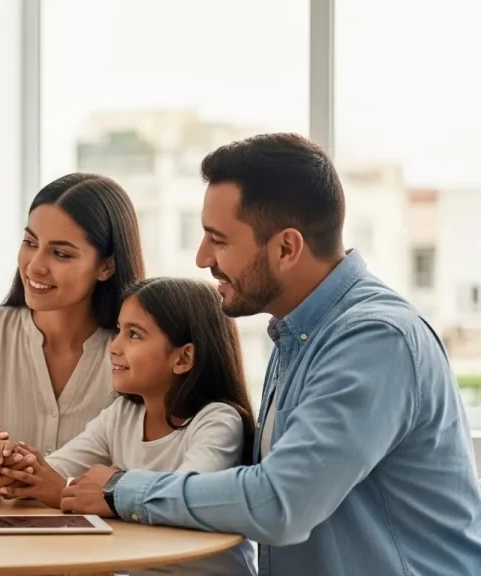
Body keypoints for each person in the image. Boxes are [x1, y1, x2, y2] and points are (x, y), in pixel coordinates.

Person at [54, 133, 481, 575]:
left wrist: (121, 490)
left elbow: (280, 502)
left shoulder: (374, 339)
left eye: (218, 240)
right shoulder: (298, 334)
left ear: (286, 248)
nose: (202, 259)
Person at [0, 277, 257, 575]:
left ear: (183, 357)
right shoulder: (122, 415)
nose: (114, 347)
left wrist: (90, 491)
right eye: (119, 330)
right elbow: (54, 472)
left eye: (135, 335)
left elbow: (180, 501)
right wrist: (12, 462)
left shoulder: (217, 421)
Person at [0, 173, 145, 497]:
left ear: (106, 266)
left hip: (104, 540)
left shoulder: (133, 351)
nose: (34, 266)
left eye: (61, 254)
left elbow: (140, 470)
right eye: (30, 243)